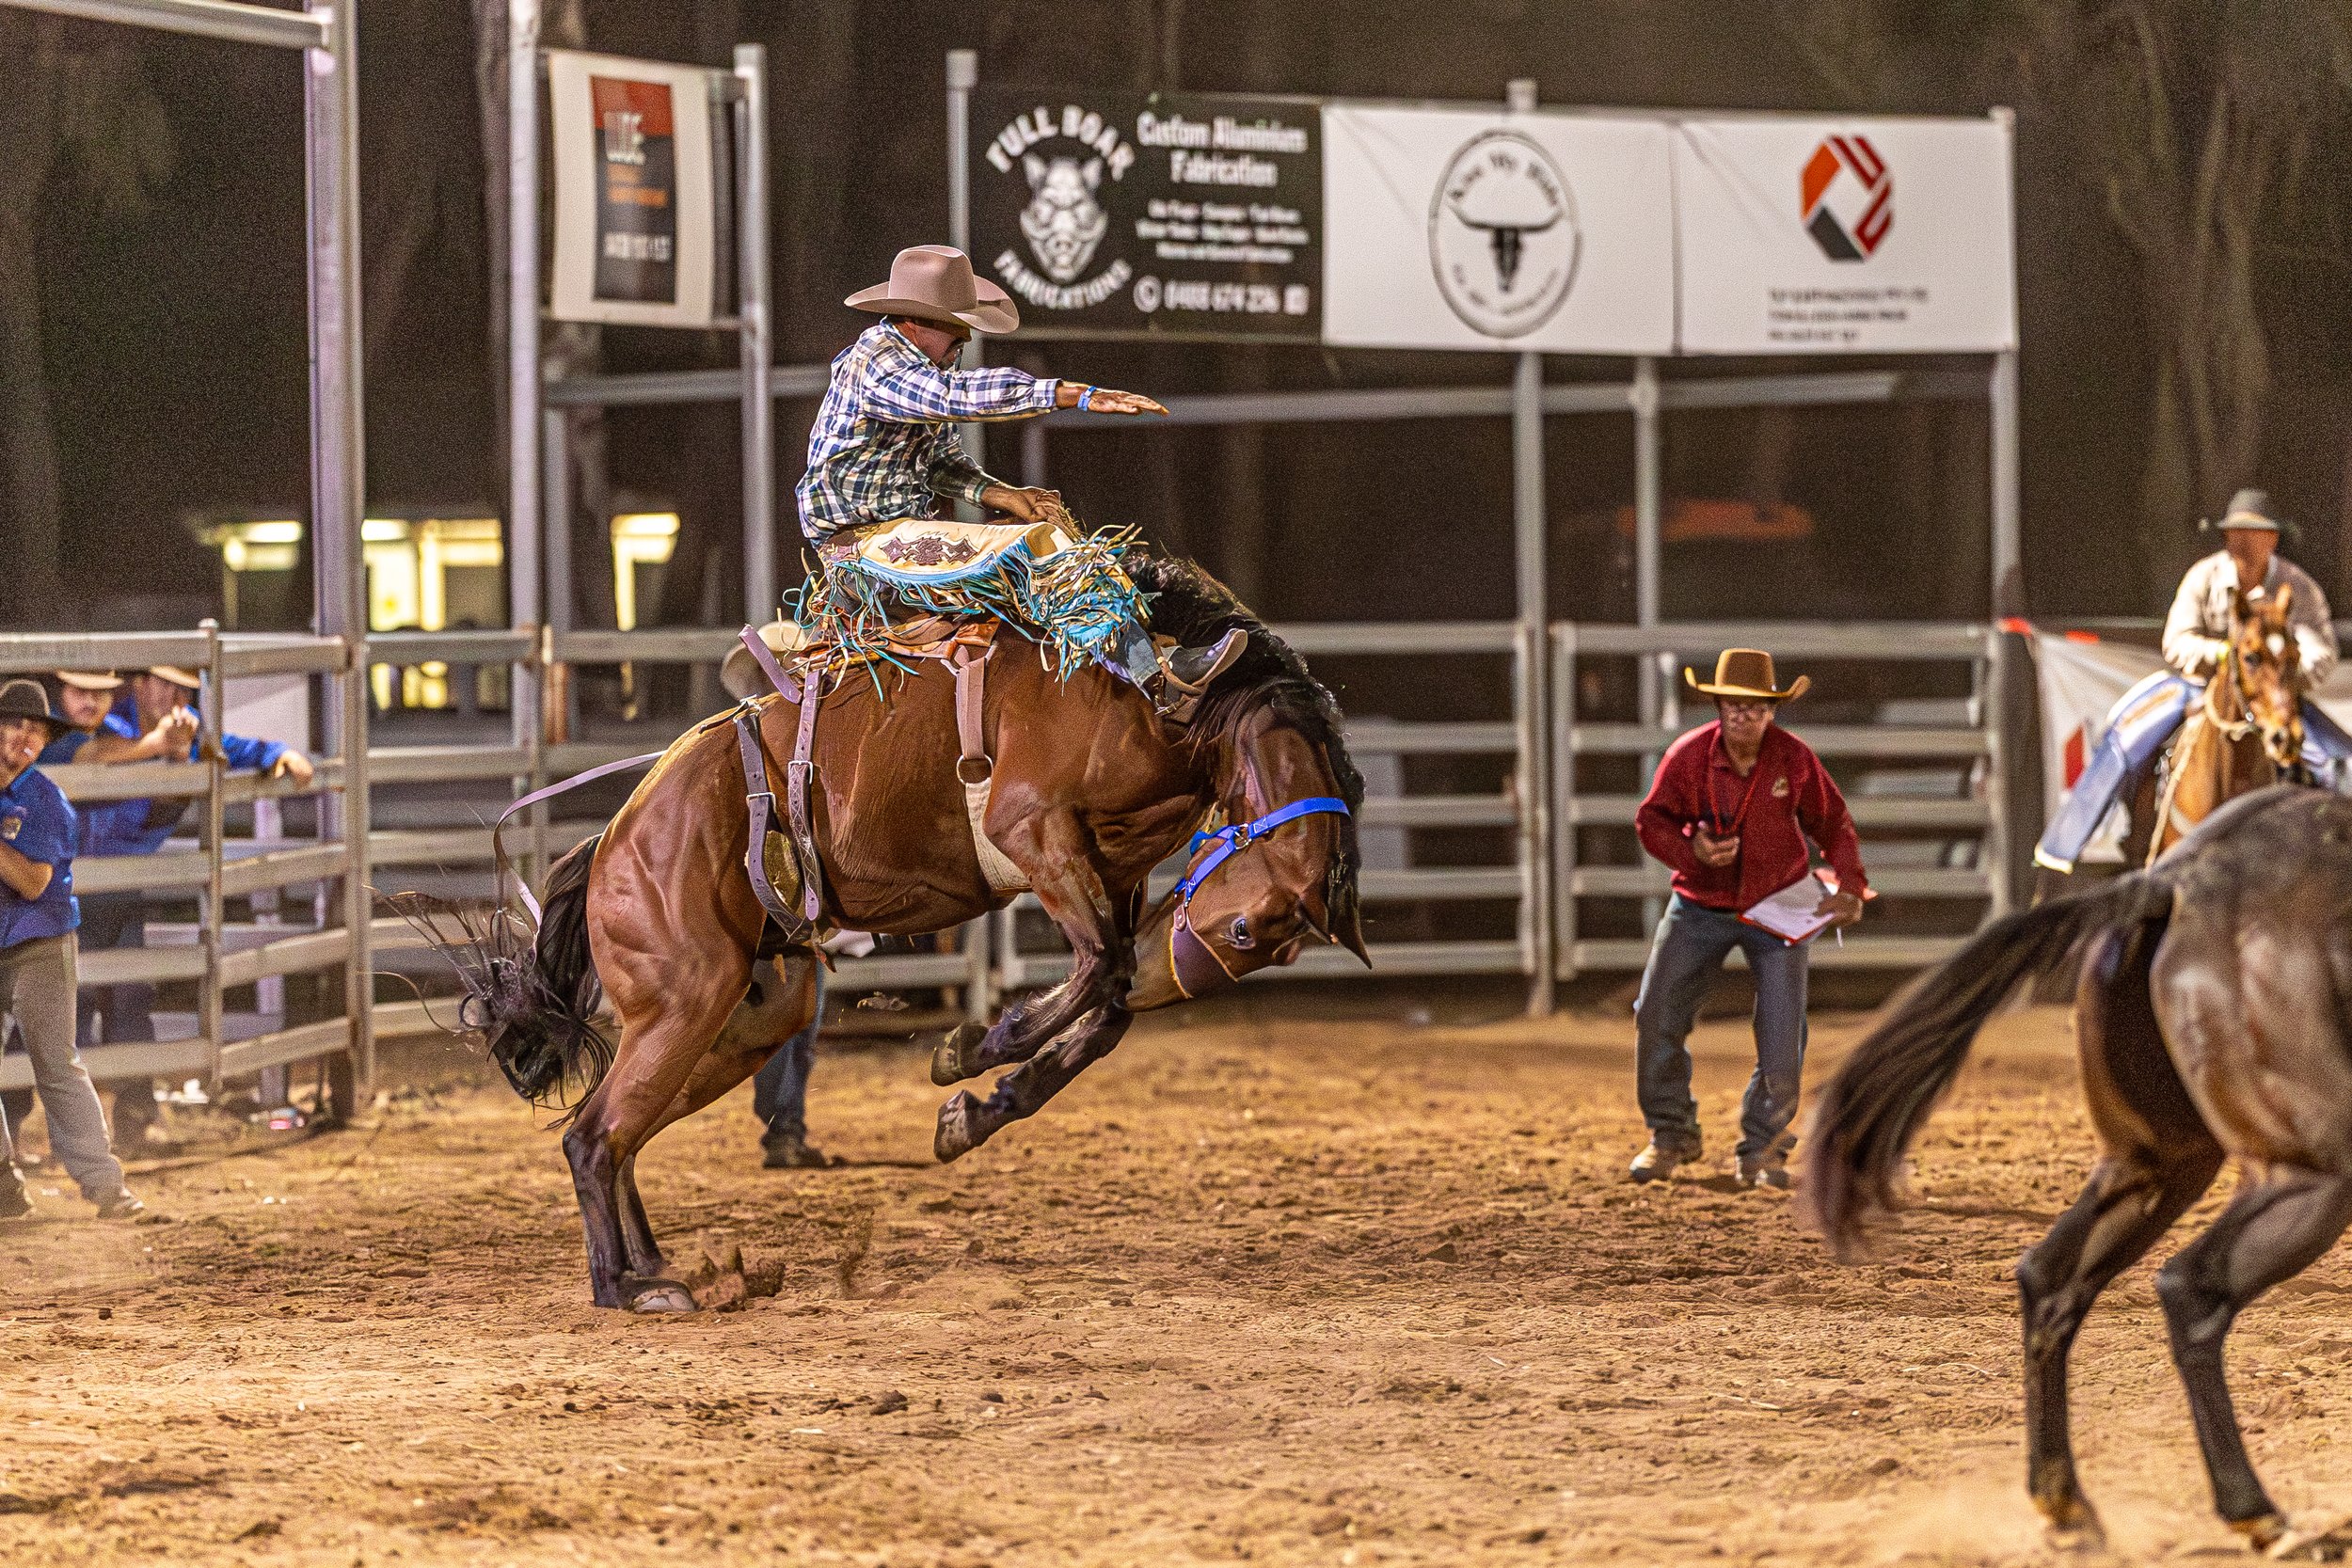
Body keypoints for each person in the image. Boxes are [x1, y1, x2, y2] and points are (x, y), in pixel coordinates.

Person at [794, 244, 1243, 718]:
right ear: (918, 323)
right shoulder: (877, 360)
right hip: (861, 545)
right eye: (957, 331)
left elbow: (940, 462)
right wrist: (1069, 394)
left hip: (891, 537)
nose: (964, 342)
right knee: (1040, 546)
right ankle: (1157, 675)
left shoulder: (916, 369)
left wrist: (1005, 495)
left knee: (1046, 538)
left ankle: (1132, 658)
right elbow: (952, 397)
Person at [1627, 650, 1867, 1190]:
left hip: (1777, 902)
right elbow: (1652, 821)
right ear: (1718, 707)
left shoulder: (1794, 759)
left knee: (1782, 1032)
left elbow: (1832, 821)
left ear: (1771, 712)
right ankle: (1671, 1133)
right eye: (1735, 705)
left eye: (1756, 708)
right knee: (1656, 1012)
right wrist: (1692, 854)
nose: (1744, 716)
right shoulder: (1689, 757)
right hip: (1700, 902)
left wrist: (1851, 883)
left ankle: (1763, 1144)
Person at [2035, 488, 2345, 872]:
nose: (2241, 542)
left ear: (2272, 539)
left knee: (2339, 760)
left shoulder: (2299, 588)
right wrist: (2222, 655)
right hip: (2199, 686)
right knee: (2127, 736)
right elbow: (2177, 641)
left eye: (2252, 534)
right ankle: (2069, 847)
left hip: (2270, 691)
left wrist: (2282, 670)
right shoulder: (2204, 577)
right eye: (2234, 533)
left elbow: (2321, 651)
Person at [82, 666, 313, 1144]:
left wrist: (278, 752)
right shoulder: (110, 726)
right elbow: (92, 753)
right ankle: (65, 1131)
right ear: (140, 684)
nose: (174, 696)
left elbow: (227, 746)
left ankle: (132, 1120)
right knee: (72, 1006)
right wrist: (158, 746)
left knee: (129, 1001)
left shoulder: (187, 733)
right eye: (164, 683)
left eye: (184, 688)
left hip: (121, 884)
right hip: (73, 883)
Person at [0, 679, 140, 1219]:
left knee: (56, 1065)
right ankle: (3, 1182)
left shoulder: (46, 801)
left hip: (39, 940)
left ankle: (105, 1185)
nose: (26, 738)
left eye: (36, 731)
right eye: (15, 725)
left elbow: (33, 882)